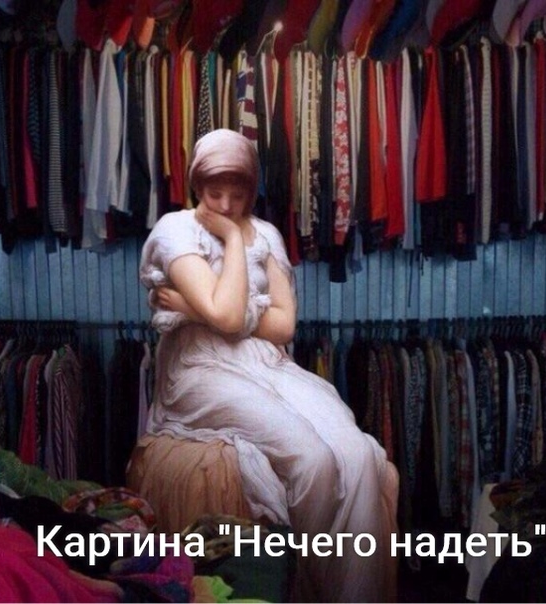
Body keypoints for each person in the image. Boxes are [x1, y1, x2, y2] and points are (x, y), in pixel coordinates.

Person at [139, 128, 399, 603]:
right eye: (214, 192)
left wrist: (193, 307)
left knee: (357, 453)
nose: (225, 205)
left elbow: (282, 326)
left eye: (237, 195)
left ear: (252, 190)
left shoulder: (268, 234)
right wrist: (231, 243)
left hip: (265, 362)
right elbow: (226, 316)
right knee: (312, 459)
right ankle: (319, 591)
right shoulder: (175, 230)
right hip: (199, 368)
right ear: (196, 185)